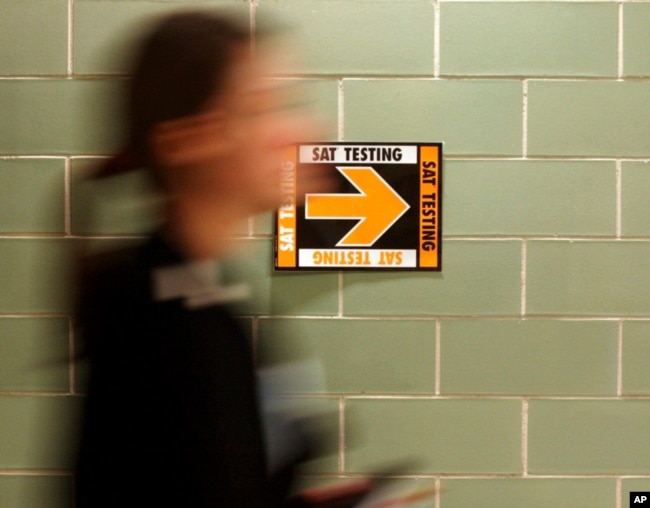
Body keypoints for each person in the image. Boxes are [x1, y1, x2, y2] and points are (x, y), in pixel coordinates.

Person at [74, 11, 330, 507]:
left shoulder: (205, 292)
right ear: (185, 141)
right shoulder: (160, 320)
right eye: (262, 109)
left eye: (292, 103)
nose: (303, 131)